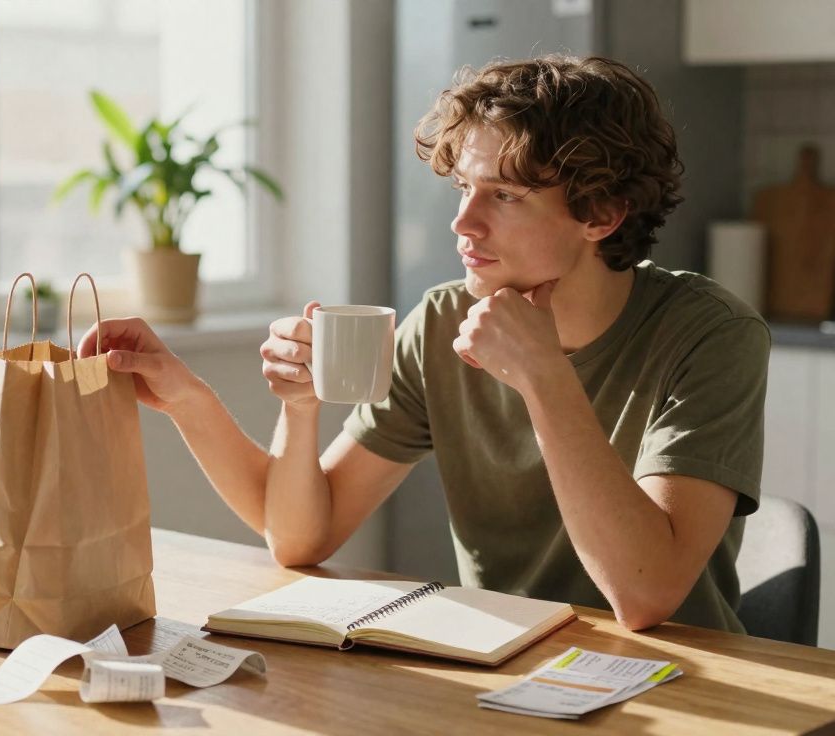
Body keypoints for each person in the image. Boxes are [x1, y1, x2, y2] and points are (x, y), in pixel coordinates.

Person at [78, 55, 769, 633]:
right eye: (464, 187)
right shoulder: (442, 321)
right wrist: (224, 401)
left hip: (679, 679)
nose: (463, 222)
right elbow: (299, 537)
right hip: (506, 666)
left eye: (504, 196)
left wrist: (543, 375)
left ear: (602, 214)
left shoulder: (710, 335)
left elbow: (644, 596)